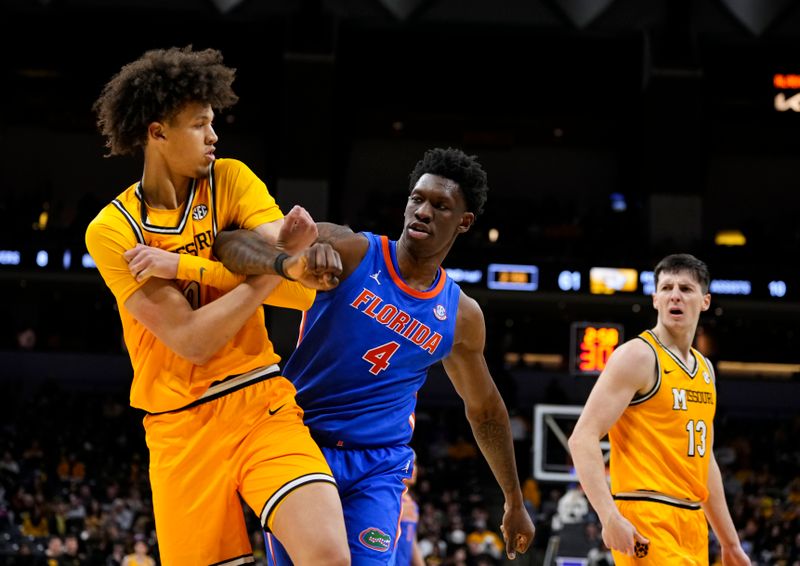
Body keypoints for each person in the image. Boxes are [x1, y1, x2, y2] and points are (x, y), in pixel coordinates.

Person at [85, 45, 349, 565]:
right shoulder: (113, 231)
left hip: (260, 402)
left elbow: (288, 263)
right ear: (157, 132)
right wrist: (267, 274)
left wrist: (274, 254)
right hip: (178, 428)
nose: (214, 136)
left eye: (214, 122)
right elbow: (193, 339)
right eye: (200, 124)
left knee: (327, 556)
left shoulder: (228, 178)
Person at [213, 147, 536, 564]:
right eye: (417, 199)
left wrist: (513, 500)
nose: (422, 211)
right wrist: (289, 263)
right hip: (303, 443)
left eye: (440, 206)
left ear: (464, 222)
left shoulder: (461, 316)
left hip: (379, 466)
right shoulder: (351, 252)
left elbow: (485, 410)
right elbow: (229, 242)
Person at [568, 254, 751, 565]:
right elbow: (582, 437)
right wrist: (608, 515)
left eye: (686, 288)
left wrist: (730, 542)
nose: (675, 295)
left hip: (693, 523)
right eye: (666, 287)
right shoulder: (638, 356)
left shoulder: (705, 369)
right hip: (646, 513)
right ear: (655, 299)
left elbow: (704, 461)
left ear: (705, 301)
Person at [395, 450, 424, 566]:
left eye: (415, 463)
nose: (414, 468)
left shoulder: (412, 504)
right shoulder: (391, 499)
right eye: (409, 463)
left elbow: (412, 540)